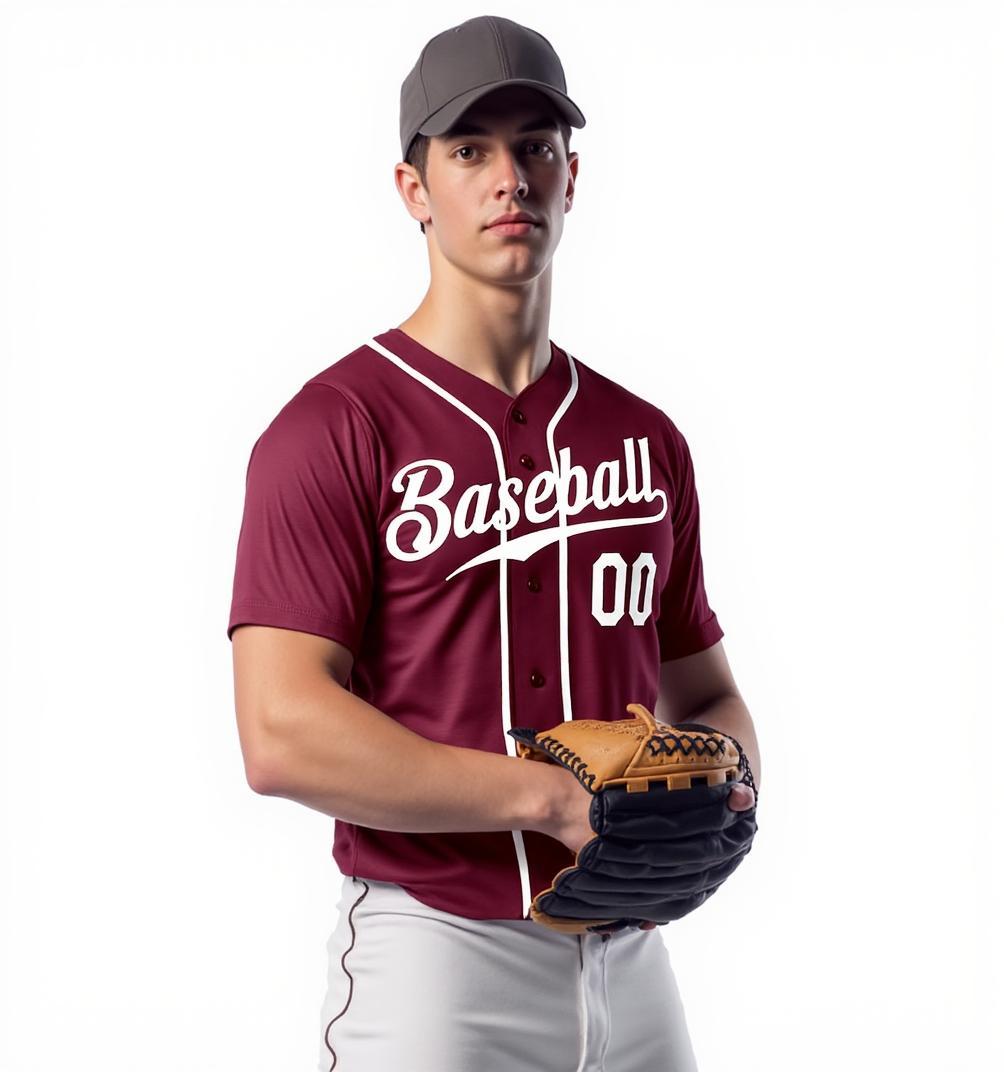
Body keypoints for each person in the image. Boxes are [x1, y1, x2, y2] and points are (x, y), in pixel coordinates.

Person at [226, 14, 761, 1072]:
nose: (509, 177)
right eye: (469, 149)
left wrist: (734, 790)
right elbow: (279, 729)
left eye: (535, 146)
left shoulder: (644, 439)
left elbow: (706, 693)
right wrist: (548, 799)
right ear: (413, 189)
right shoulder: (334, 428)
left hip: (633, 958)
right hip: (436, 957)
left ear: (572, 176)